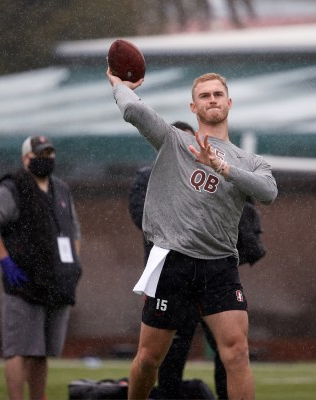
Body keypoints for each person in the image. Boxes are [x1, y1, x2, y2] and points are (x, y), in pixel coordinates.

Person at [107, 69, 277, 399]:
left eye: (217, 95)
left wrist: (223, 168)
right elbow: (134, 111)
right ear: (192, 107)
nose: (211, 100)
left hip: (219, 266)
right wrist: (119, 84)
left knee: (237, 354)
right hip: (173, 261)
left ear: (229, 102)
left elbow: (269, 192)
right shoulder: (175, 141)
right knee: (149, 359)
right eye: (204, 96)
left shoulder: (250, 161)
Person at [128, 122, 267, 399]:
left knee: (233, 352)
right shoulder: (148, 177)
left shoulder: (219, 169)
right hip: (171, 273)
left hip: (214, 272)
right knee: (157, 356)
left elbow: (252, 202)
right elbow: (145, 219)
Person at [0, 135, 82, 400]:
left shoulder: (61, 189)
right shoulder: (13, 188)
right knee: (18, 349)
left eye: (49, 154)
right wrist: (5, 261)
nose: (46, 159)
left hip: (56, 282)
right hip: (23, 281)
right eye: (40, 154)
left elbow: (74, 230)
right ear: (26, 158)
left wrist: (73, 266)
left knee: (41, 351)